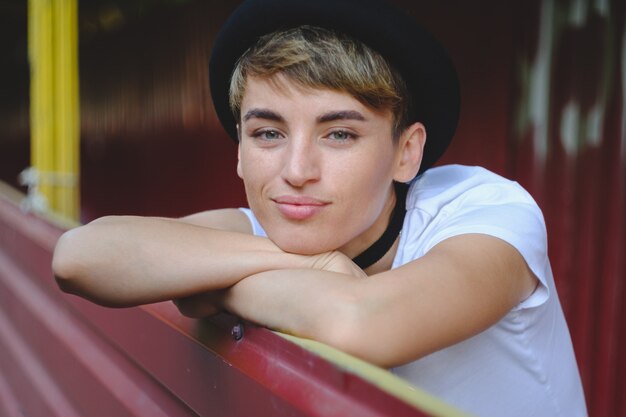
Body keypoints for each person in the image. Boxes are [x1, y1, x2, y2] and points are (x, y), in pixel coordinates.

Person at [52, 0, 588, 415]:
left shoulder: (485, 211)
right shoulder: (268, 230)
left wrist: (208, 281)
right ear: (239, 152)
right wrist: (307, 265)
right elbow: (79, 256)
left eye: (338, 134)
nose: (297, 169)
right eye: (267, 132)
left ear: (407, 152)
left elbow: (360, 323)